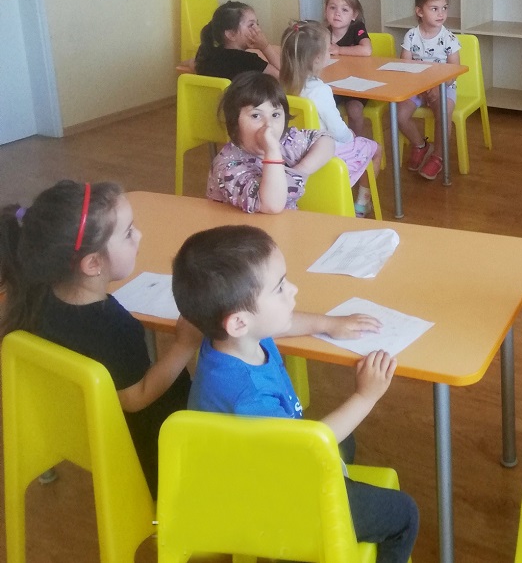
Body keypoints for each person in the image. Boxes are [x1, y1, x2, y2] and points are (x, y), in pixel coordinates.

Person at [172, 225, 419, 563]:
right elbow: (308, 444)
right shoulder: (248, 394)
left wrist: (328, 324)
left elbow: (280, 323)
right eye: (279, 287)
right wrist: (366, 396)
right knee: (404, 515)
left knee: (346, 441)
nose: (293, 290)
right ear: (239, 322)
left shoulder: (231, 340)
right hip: (275, 506)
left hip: (254, 468)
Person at [0, 180, 200, 497]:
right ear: (93, 263)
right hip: (148, 450)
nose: (139, 236)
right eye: (128, 232)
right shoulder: (112, 327)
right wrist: (184, 345)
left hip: (81, 431)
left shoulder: (37, 300)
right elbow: (136, 398)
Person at [280, 20, 381, 217]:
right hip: (326, 150)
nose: (330, 53)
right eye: (328, 50)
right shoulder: (319, 90)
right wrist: (351, 136)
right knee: (376, 149)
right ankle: (361, 205)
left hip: (293, 151)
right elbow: (337, 129)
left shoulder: (282, 85)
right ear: (317, 59)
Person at [208, 72, 334, 213]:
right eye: (256, 115)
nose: (269, 125)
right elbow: (271, 205)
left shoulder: (286, 142)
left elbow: (325, 139)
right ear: (235, 122)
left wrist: (301, 170)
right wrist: (272, 152)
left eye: (275, 115)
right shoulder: (227, 166)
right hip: (240, 226)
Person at [397, 0, 461, 181]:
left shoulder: (449, 38)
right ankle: (420, 145)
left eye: (444, 8)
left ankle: (439, 156)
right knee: (399, 115)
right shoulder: (411, 36)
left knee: (443, 113)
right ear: (419, 11)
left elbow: (454, 70)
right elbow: (405, 66)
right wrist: (420, 87)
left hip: (444, 86)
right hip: (417, 86)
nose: (441, 13)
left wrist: (437, 86)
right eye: (434, 8)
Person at [325, 0, 372, 137]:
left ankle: (355, 143)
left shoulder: (357, 28)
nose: (337, 13)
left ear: (354, 15)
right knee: (323, 106)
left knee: (354, 110)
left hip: (356, 85)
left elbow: (366, 50)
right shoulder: (323, 33)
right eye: (332, 8)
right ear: (326, 10)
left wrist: (339, 50)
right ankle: (332, 142)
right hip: (332, 85)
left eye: (344, 10)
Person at [195, 0, 281, 79]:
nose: (258, 29)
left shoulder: (206, 56)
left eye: (257, 24)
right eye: (251, 25)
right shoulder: (248, 60)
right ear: (231, 34)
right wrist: (265, 47)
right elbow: (284, 77)